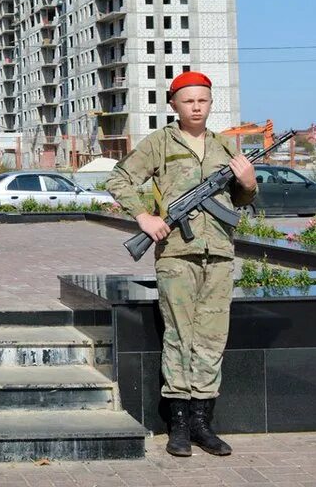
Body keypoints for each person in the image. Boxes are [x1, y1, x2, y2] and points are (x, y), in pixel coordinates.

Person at [106, 71, 257, 458]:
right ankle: (178, 427)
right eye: (188, 100)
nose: (196, 107)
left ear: (211, 104)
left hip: (219, 254)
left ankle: (202, 424)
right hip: (176, 255)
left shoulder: (226, 148)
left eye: (203, 100)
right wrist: (144, 217)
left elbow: (239, 203)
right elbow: (119, 179)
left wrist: (249, 182)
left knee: (211, 340)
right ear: (174, 104)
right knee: (179, 337)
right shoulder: (160, 142)